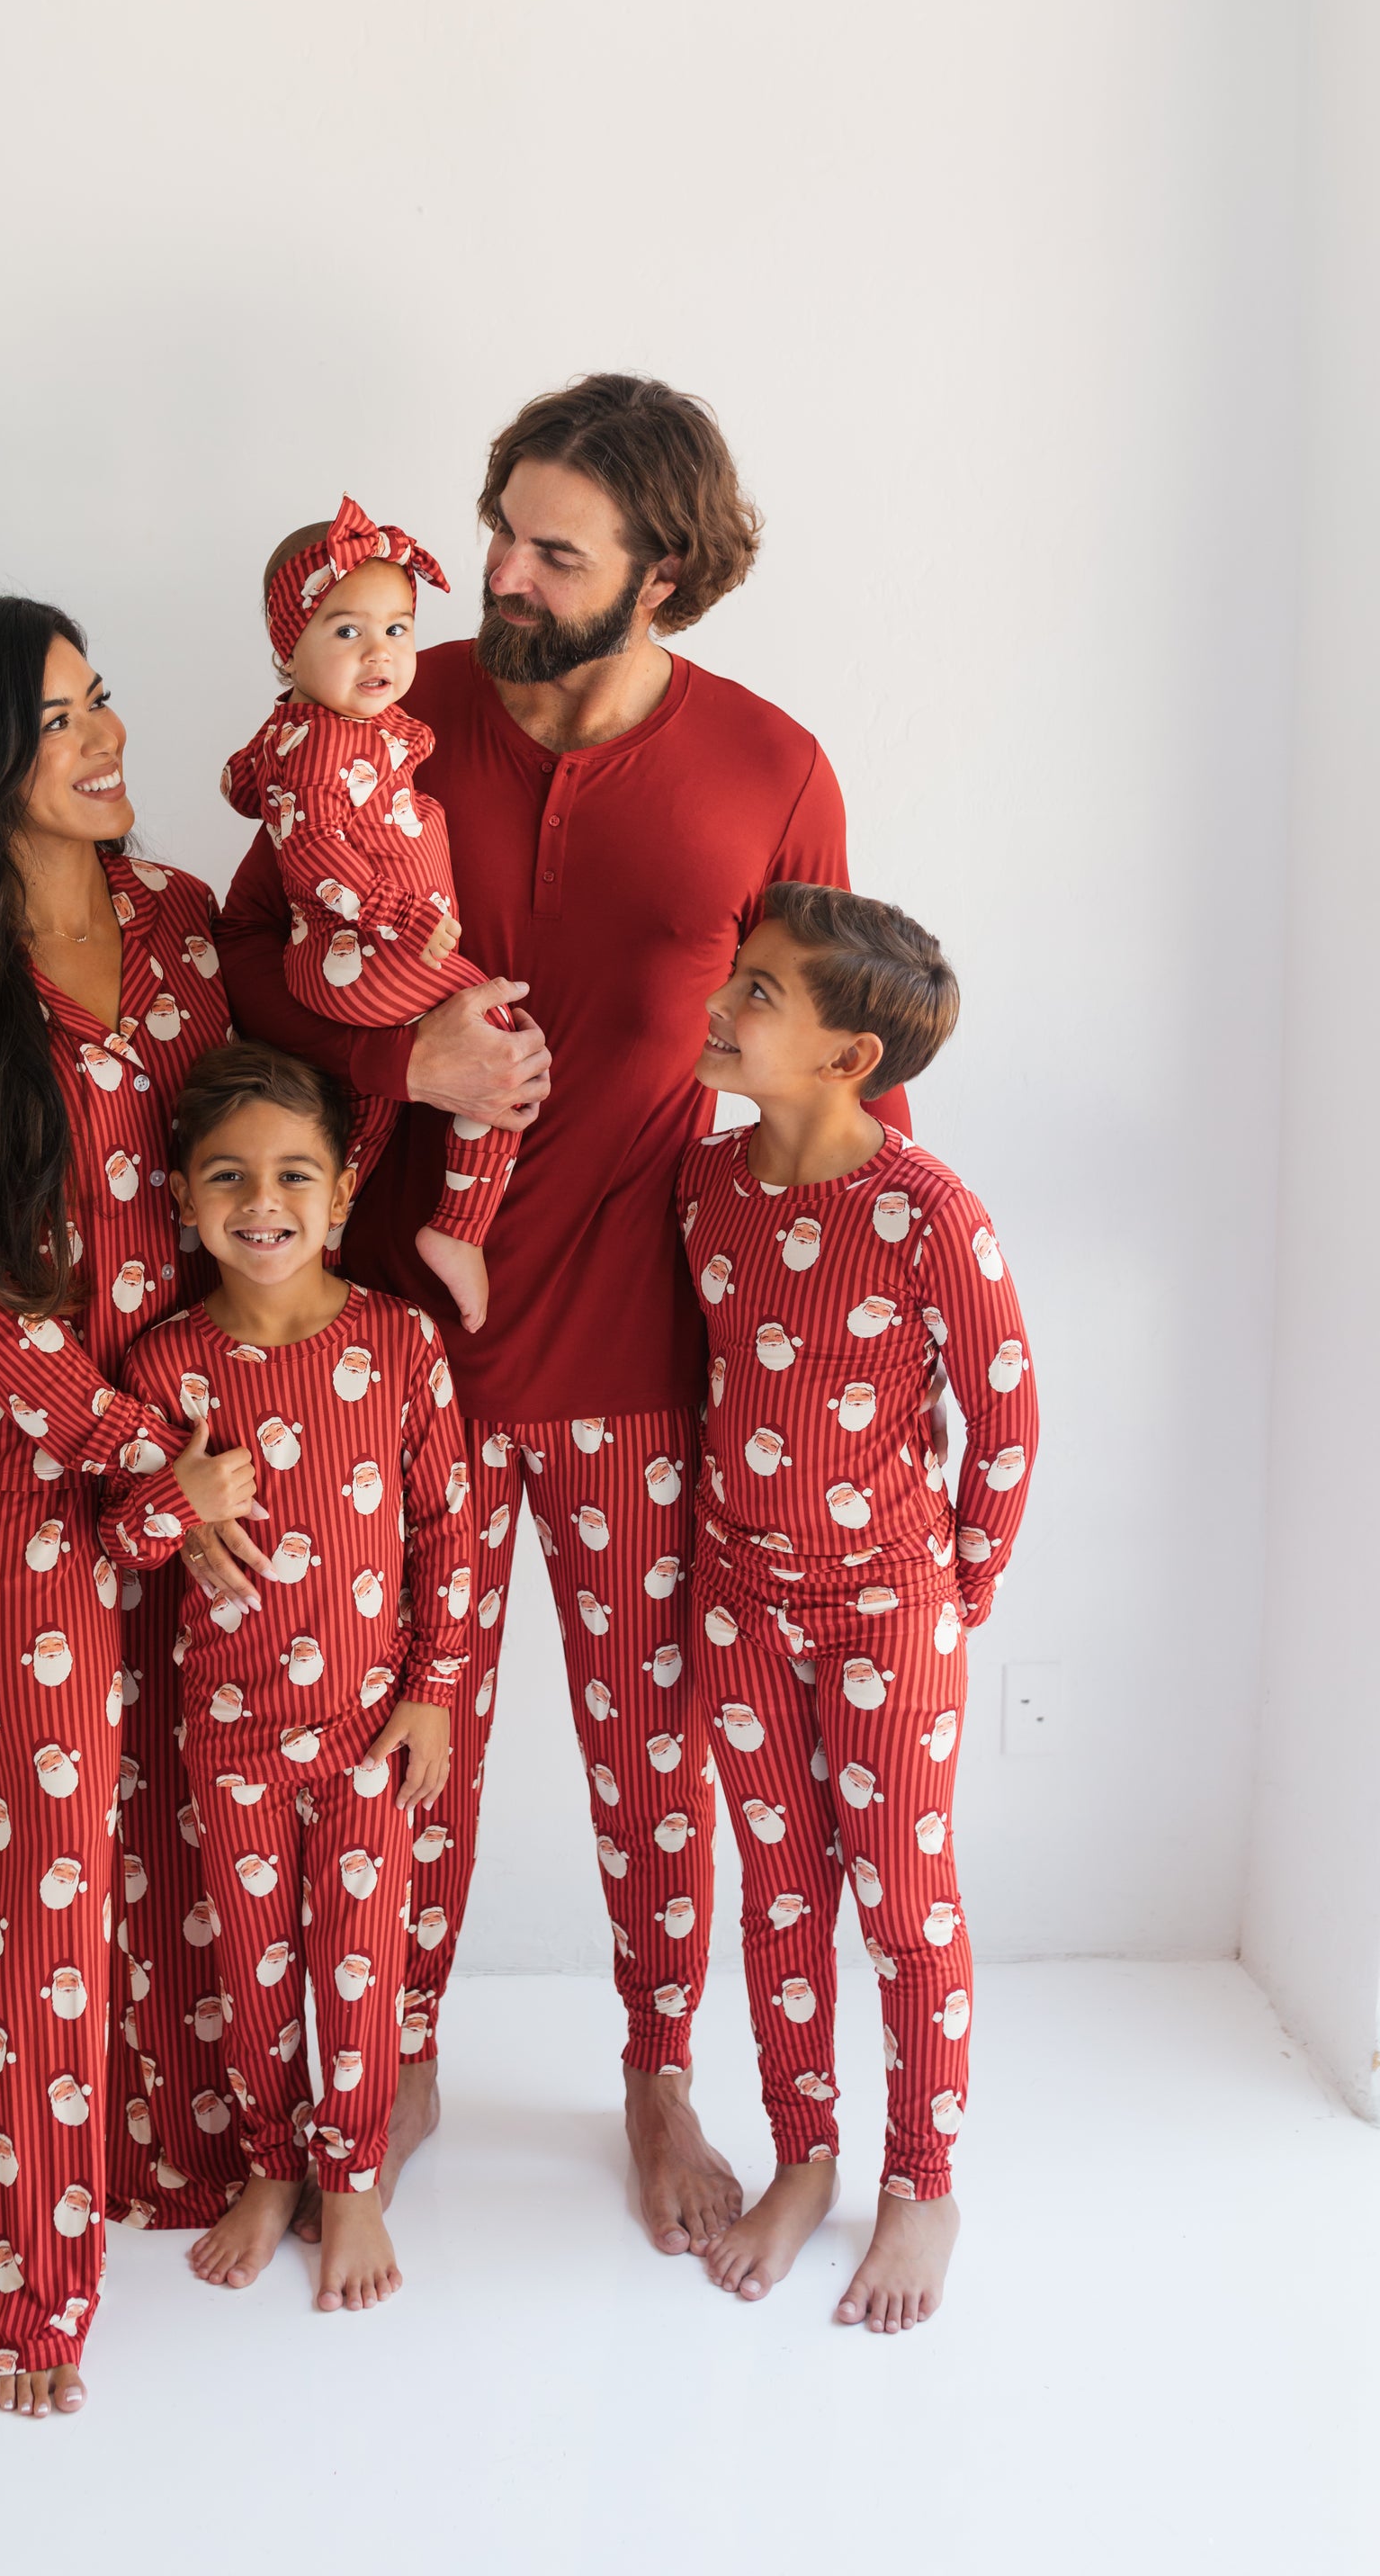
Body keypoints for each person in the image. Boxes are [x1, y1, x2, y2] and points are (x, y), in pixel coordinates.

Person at [217, 373, 911, 2256]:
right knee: (397, 1730)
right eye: (498, 530)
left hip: (642, 1351)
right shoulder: (387, 709)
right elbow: (237, 969)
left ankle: (657, 2075)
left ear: (660, 575)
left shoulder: (770, 766)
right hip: (392, 1343)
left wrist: (872, 1342)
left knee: (649, 1744)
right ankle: (395, 2057)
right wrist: (401, 1069)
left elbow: (835, 1065)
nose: (497, 576)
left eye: (551, 551)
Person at [0, 596, 245, 2417]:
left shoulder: (181, 920)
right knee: (54, 1867)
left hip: (208, 1448)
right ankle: (24, 2290)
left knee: (183, 1817)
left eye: (100, 702)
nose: (105, 740)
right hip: (34, 1479)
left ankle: (166, 2158)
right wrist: (133, 1451)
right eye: (57, 721)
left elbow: (263, 1148)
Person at [679, 884, 1039, 2329]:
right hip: (737, 1603)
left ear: (848, 1059)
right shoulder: (703, 1187)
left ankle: (922, 2182)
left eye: (758, 992)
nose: (721, 1003)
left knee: (902, 1900)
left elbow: (1005, 1416)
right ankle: (804, 2156)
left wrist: (958, 1591)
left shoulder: (929, 1213)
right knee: (780, 1894)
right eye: (737, 974)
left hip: (889, 1608)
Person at [97, 1041, 471, 2311]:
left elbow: (450, 1534)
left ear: (344, 1192)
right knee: (250, 1974)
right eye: (229, 1176)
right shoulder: (165, 1366)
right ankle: (270, 2165)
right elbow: (120, 1543)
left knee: (359, 1963)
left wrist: (433, 1691)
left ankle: (351, 2178)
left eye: (294, 1175)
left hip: (370, 1732)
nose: (263, 1203)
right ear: (184, 1198)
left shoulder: (399, 1345)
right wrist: (179, 1495)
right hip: (231, 1735)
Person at [223, 497, 524, 1335]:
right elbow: (317, 859)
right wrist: (402, 917)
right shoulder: (322, 748)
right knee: (497, 1039)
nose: (380, 651)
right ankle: (459, 1227)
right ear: (289, 649)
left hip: (355, 954)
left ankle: (320, 1250)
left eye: (397, 629)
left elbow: (250, 785)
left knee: (368, 1111)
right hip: (360, 951)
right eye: (347, 630)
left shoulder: (325, 728)